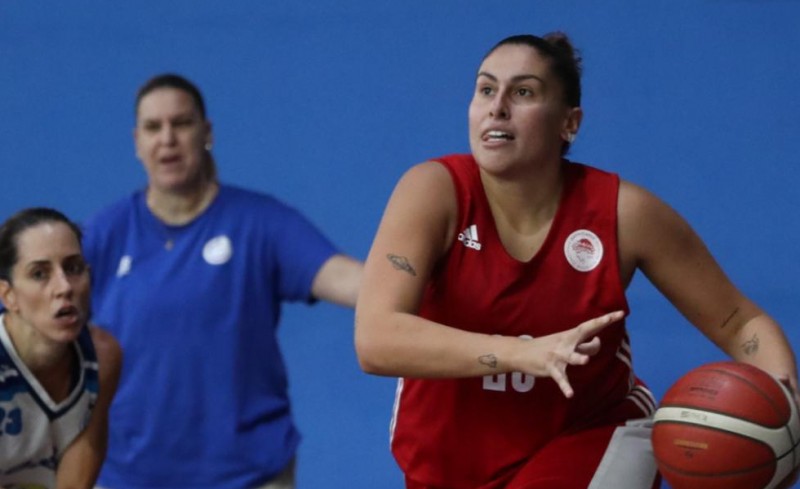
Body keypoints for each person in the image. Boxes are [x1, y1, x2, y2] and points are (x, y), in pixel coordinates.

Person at [354, 32, 800, 489]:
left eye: (522, 92)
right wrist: (521, 352)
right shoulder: (433, 191)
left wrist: (785, 406)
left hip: (591, 437)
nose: (497, 107)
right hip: (448, 462)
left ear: (569, 123)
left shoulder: (623, 214)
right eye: (486, 89)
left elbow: (738, 322)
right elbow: (376, 338)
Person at [81, 73, 362, 489]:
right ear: (137, 142)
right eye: (153, 127)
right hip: (127, 477)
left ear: (206, 132)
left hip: (250, 476)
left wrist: (429, 286)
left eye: (181, 123)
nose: (167, 139)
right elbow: (27, 309)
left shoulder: (260, 222)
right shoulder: (106, 234)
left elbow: (348, 279)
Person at [0, 207, 122, 488]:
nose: (64, 287)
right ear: (8, 295)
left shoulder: (102, 356)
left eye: (73, 268)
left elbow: (74, 483)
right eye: (39, 274)